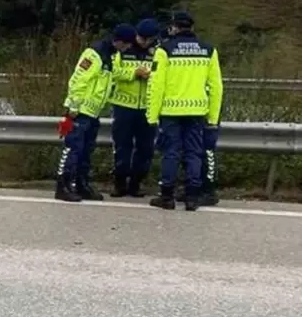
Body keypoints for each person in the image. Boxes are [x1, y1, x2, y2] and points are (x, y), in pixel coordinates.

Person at [146, 11, 224, 211]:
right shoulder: (208, 50)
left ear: (174, 28)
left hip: (170, 112)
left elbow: (156, 85)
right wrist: (213, 118)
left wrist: (151, 116)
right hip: (197, 112)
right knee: (194, 153)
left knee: (171, 153)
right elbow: (216, 86)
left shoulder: (164, 50)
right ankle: (192, 198)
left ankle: (167, 197)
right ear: (192, 28)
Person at [56, 24, 137, 202]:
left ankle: (81, 184)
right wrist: (74, 107)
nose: (129, 48)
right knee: (73, 149)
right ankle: (63, 185)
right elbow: (78, 81)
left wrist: (134, 73)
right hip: (80, 111)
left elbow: (115, 74)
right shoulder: (94, 54)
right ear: (120, 41)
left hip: (93, 112)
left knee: (86, 150)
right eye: (127, 44)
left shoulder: (110, 56)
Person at [108, 18, 160, 197]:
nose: (144, 42)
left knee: (145, 148)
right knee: (122, 146)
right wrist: (133, 73)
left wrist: (150, 76)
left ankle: (136, 184)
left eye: (148, 39)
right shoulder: (123, 49)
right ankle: (119, 182)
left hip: (147, 107)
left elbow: (162, 76)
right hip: (123, 106)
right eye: (141, 37)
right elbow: (113, 72)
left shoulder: (158, 52)